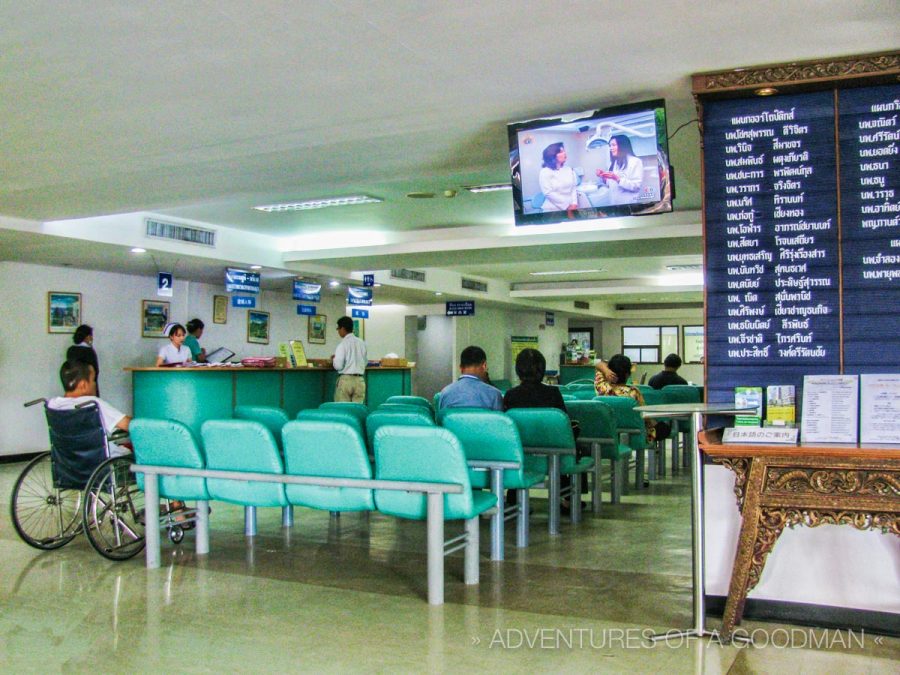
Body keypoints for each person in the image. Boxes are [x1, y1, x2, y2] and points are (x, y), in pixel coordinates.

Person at [594, 354, 668, 442]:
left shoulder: (602, 387)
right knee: (664, 428)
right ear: (627, 375)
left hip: (610, 433)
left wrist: (606, 371)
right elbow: (645, 416)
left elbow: (597, 363)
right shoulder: (633, 392)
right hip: (636, 436)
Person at [438, 346, 502, 411]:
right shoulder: (494, 395)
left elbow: (441, 419)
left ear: (460, 368)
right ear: (484, 366)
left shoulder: (445, 393)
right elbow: (500, 420)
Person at [596, 134, 644, 205]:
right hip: (614, 202)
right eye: (610, 146)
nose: (611, 148)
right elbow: (611, 184)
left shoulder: (636, 161)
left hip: (628, 204)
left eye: (613, 145)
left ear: (622, 146)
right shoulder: (615, 162)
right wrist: (603, 176)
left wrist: (618, 179)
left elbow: (636, 186)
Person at [332, 316, 367, 403]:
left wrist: (333, 360)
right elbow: (365, 362)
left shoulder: (342, 344)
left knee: (342, 411)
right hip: (360, 381)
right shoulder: (361, 343)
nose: (338, 332)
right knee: (357, 410)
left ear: (343, 328)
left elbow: (338, 366)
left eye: (338, 329)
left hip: (345, 381)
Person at [538, 142, 578, 214]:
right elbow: (548, 193)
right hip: (553, 210)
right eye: (561, 152)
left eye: (564, 151)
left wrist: (574, 203)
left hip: (572, 207)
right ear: (552, 156)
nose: (565, 153)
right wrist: (567, 206)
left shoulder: (569, 169)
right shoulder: (545, 172)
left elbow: (573, 187)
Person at [66, 324, 100, 395]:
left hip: (73, 387)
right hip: (88, 388)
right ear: (88, 337)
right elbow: (95, 371)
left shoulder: (70, 350)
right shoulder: (89, 351)